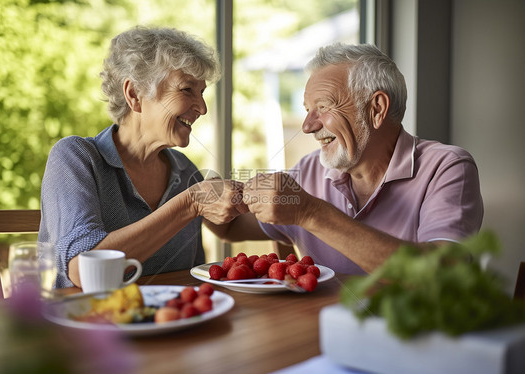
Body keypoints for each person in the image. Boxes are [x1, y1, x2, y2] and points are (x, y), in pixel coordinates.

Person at [207, 42, 483, 275]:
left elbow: (443, 273)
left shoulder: (447, 167)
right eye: (307, 110)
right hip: (324, 329)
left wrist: (310, 212)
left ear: (377, 109)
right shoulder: (309, 169)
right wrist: (201, 190)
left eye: (323, 107)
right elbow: (230, 227)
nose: (307, 126)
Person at [39, 26, 246, 288]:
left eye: (202, 93)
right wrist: (191, 202)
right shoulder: (76, 157)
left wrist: (291, 200)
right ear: (135, 94)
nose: (202, 108)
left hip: (175, 321)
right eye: (186, 90)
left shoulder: (185, 171)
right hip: (91, 323)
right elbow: (84, 270)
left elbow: (227, 233)